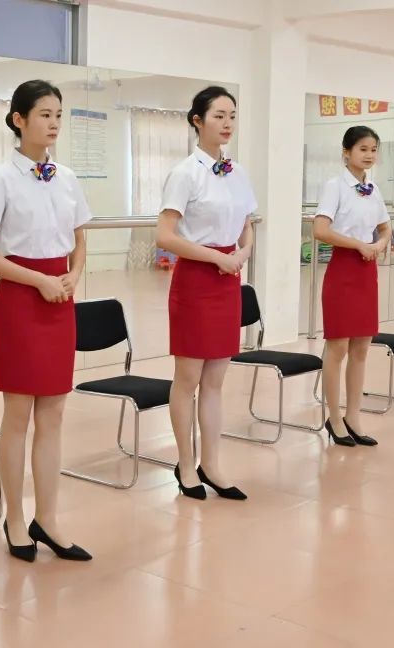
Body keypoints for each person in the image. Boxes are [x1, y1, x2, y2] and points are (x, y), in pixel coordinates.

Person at [0, 80, 93, 563]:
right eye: (44, 114)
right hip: (21, 300)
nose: (54, 123)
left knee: (54, 415)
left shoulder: (68, 177)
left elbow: (79, 239)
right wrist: (37, 280)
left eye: (58, 114)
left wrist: (72, 276)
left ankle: (49, 518)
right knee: (18, 416)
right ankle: (16, 519)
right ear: (19, 120)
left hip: (59, 298)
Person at [156, 86, 254, 502]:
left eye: (232, 115)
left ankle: (211, 464)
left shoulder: (237, 172)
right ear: (197, 121)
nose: (227, 123)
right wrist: (216, 258)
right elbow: (165, 235)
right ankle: (185, 464)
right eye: (218, 115)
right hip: (197, 279)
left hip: (228, 278)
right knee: (189, 378)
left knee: (216, 380)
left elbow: (247, 224)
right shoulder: (185, 172)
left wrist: (242, 253)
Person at [313, 126, 392, 447]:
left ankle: (354, 416)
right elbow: (320, 229)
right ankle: (334, 418)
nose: (369, 155)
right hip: (344, 269)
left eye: (373, 149)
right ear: (346, 152)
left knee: (361, 347)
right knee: (338, 347)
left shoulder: (373, 188)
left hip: (366, 270)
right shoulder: (335, 186)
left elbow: (385, 228)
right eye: (363, 149)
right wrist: (358, 244)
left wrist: (379, 244)